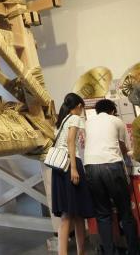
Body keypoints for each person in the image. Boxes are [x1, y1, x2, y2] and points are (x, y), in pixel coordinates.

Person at [84, 98, 139, 255]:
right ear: (113, 110)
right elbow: (123, 147)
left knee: (102, 214)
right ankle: (133, 250)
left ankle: (109, 252)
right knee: (125, 211)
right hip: (111, 166)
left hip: (90, 167)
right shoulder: (116, 121)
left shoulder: (89, 122)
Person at [52, 92, 94, 255]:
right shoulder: (75, 118)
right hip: (70, 164)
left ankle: (73, 252)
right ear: (79, 106)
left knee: (70, 214)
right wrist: (74, 168)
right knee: (74, 214)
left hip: (59, 167)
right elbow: (71, 141)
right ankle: (79, 252)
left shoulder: (61, 121)